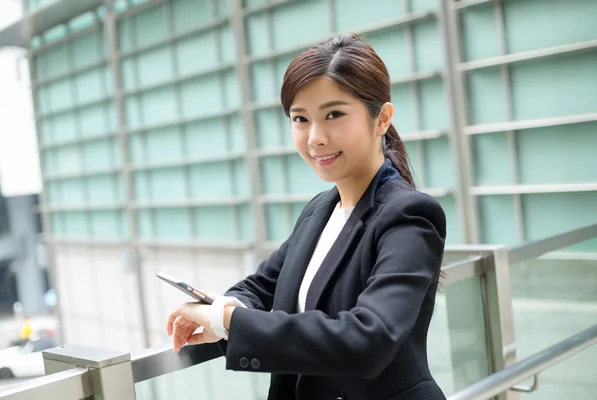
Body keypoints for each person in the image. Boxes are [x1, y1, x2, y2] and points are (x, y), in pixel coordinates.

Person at [166, 33, 447, 400]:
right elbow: (261, 287)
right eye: (300, 119)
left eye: (334, 114)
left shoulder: (408, 215)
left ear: (382, 119)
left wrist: (228, 322)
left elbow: (369, 338)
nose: (315, 137)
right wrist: (220, 309)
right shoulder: (320, 210)